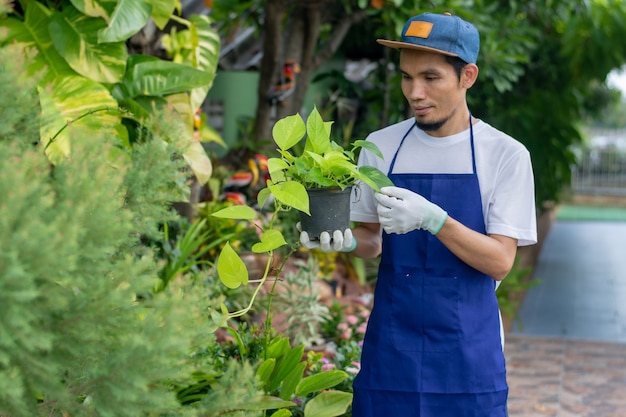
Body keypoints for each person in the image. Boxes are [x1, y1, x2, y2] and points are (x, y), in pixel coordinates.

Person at [300, 11, 537, 416]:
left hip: (468, 359)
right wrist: (346, 240)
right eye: (407, 77)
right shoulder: (381, 145)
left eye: (430, 78)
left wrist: (435, 220)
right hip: (391, 353)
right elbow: (373, 242)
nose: (415, 92)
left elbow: (500, 262)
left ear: (467, 77)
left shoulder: (505, 155)